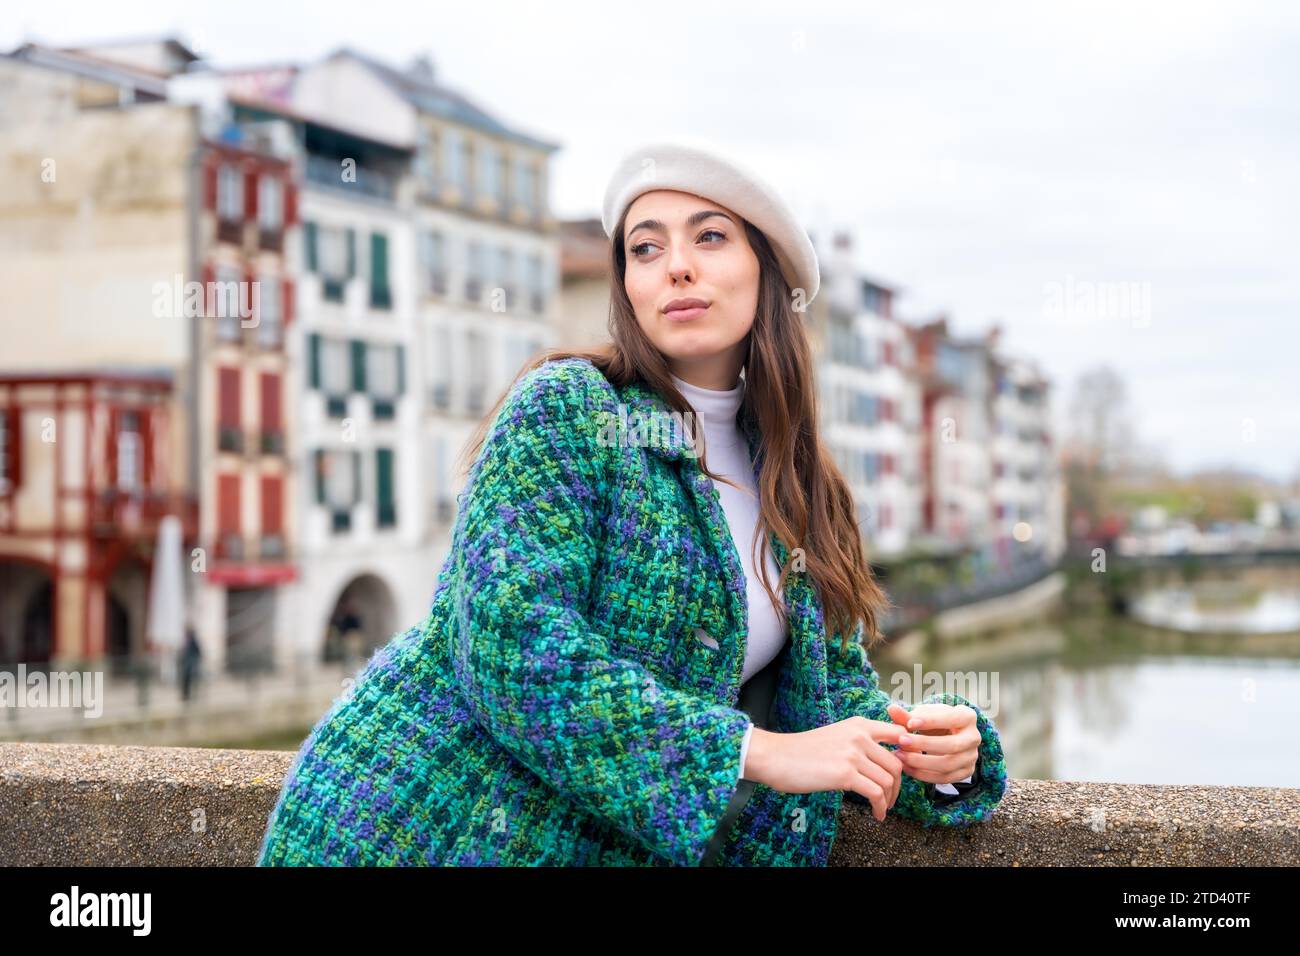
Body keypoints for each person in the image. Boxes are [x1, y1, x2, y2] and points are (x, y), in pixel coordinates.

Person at [258, 139, 1008, 867]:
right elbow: (511, 645)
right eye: (645, 249)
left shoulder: (800, 481)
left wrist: (937, 754)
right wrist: (756, 752)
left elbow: (831, 708)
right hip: (415, 829)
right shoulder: (570, 409)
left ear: (767, 271)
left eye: (709, 237)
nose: (676, 266)